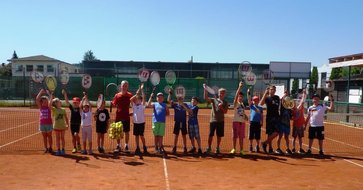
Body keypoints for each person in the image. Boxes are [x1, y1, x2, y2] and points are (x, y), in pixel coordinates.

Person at [204, 85, 229, 155]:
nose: (221, 94)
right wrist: (205, 90)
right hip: (213, 120)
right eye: (220, 93)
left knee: (219, 135)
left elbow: (225, 112)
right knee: (210, 135)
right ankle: (208, 148)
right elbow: (206, 98)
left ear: (224, 94)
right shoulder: (213, 100)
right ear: (218, 93)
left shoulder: (225, 102)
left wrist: (221, 107)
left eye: (223, 93)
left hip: (221, 121)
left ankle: (217, 148)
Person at [112, 80, 133, 153]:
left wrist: (134, 112)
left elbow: (134, 104)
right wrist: (114, 104)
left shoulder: (130, 95)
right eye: (123, 85)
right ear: (120, 86)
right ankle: (118, 145)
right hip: (118, 116)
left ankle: (126, 145)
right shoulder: (117, 95)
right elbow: (114, 104)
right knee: (118, 131)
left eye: (126, 85)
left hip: (126, 117)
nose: (124, 87)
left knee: (126, 132)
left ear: (127, 87)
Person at [260, 86, 280, 154]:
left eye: (274, 89)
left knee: (277, 132)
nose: (272, 91)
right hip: (269, 117)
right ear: (269, 90)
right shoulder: (267, 98)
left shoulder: (277, 97)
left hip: (276, 117)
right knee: (269, 133)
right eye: (271, 89)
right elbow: (260, 104)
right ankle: (270, 148)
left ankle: (264, 143)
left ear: (275, 90)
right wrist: (265, 93)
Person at [230, 81, 248, 156]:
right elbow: (236, 96)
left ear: (243, 97)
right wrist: (239, 87)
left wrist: (245, 116)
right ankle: (234, 149)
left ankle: (241, 150)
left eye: (241, 96)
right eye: (239, 96)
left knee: (241, 137)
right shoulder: (236, 103)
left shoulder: (242, 104)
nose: (240, 97)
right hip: (236, 122)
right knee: (234, 137)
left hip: (242, 123)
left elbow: (242, 112)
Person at [130, 84, 148, 155]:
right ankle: (137, 147)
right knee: (136, 136)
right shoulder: (133, 106)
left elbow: (144, 97)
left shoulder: (142, 106)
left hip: (141, 123)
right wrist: (136, 94)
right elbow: (131, 99)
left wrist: (141, 90)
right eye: (137, 99)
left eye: (139, 99)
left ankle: (144, 146)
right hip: (135, 123)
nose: (137, 100)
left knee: (141, 136)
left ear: (141, 101)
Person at [36, 89, 53, 154]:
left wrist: (49, 94)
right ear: (41, 103)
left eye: (46, 102)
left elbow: (51, 99)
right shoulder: (40, 107)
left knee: (49, 136)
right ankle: (46, 148)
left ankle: (50, 147)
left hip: (49, 124)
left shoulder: (49, 107)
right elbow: (37, 99)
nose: (45, 103)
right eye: (44, 102)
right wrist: (41, 92)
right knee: (44, 137)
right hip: (42, 124)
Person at [275, 90, 293, 155]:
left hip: (287, 123)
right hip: (281, 123)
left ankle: (288, 149)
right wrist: (284, 96)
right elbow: (281, 101)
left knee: (286, 137)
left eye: (287, 92)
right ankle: (278, 148)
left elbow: (291, 114)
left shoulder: (289, 106)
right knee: (279, 136)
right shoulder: (282, 104)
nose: (286, 93)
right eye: (285, 92)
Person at [247, 88, 263, 153]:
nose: (254, 101)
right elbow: (248, 99)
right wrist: (248, 93)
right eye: (254, 100)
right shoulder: (251, 106)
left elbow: (262, 115)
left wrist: (262, 121)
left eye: (256, 100)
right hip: (252, 122)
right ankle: (250, 146)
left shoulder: (260, 107)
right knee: (251, 135)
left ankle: (257, 146)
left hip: (258, 123)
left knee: (257, 135)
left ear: (258, 101)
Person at [292, 89, 307, 154]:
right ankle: (293, 148)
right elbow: (292, 117)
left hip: (300, 125)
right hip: (295, 125)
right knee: (294, 138)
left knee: (300, 138)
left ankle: (300, 149)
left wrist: (304, 94)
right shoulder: (293, 110)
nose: (297, 103)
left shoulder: (301, 107)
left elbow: (303, 100)